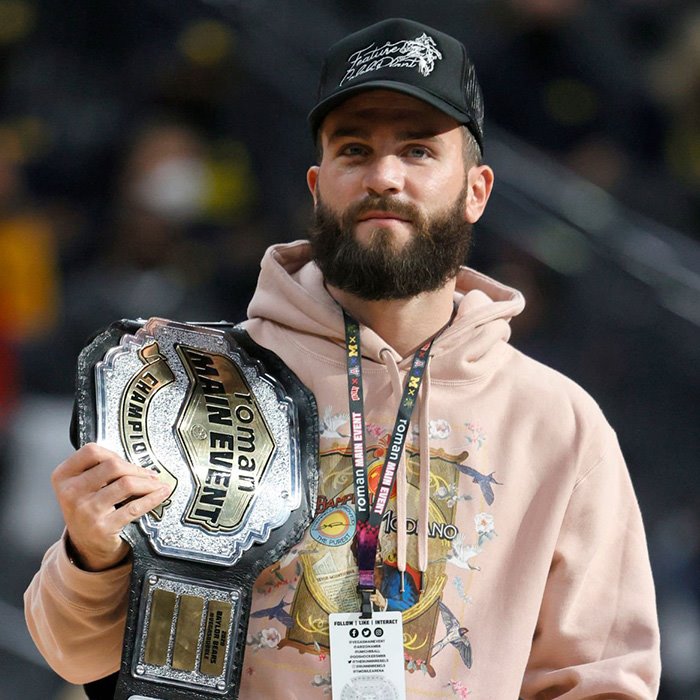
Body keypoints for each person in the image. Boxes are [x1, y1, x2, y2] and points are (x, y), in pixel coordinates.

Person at [24, 17, 660, 699]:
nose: (384, 176)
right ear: (317, 185)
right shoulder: (204, 382)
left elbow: (602, 680)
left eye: (418, 151)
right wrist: (91, 554)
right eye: (354, 150)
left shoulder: (557, 422)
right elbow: (76, 655)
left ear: (476, 191)